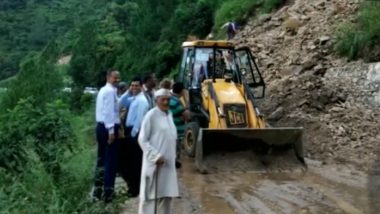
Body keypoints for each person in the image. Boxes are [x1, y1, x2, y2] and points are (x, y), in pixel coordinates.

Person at [138, 89, 180, 214]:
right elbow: (142, 139)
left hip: (168, 165)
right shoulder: (151, 115)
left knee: (166, 196)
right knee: (151, 197)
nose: (166, 102)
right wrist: (155, 156)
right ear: (156, 100)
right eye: (163, 99)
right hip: (155, 164)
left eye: (168, 99)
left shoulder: (169, 114)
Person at [93, 69, 121, 203]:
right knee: (110, 160)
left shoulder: (103, 90)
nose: (117, 80)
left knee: (101, 159)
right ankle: (108, 192)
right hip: (108, 127)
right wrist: (111, 131)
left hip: (100, 126)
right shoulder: (110, 92)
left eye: (118, 78)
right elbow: (109, 112)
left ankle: (97, 190)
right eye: (115, 78)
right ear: (108, 77)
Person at [125, 77, 150, 197]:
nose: (134, 88)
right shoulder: (134, 98)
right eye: (132, 85)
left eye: (136, 86)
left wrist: (133, 134)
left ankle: (135, 189)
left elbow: (140, 119)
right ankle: (134, 187)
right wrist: (128, 92)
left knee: (135, 162)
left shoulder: (142, 101)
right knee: (131, 161)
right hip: (131, 131)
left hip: (136, 133)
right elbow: (121, 102)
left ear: (141, 86)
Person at [169, 82, 190, 169]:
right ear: (182, 91)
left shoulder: (170, 99)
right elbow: (187, 116)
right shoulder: (176, 102)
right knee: (176, 155)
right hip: (177, 130)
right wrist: (187, 99)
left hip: (172, 130)